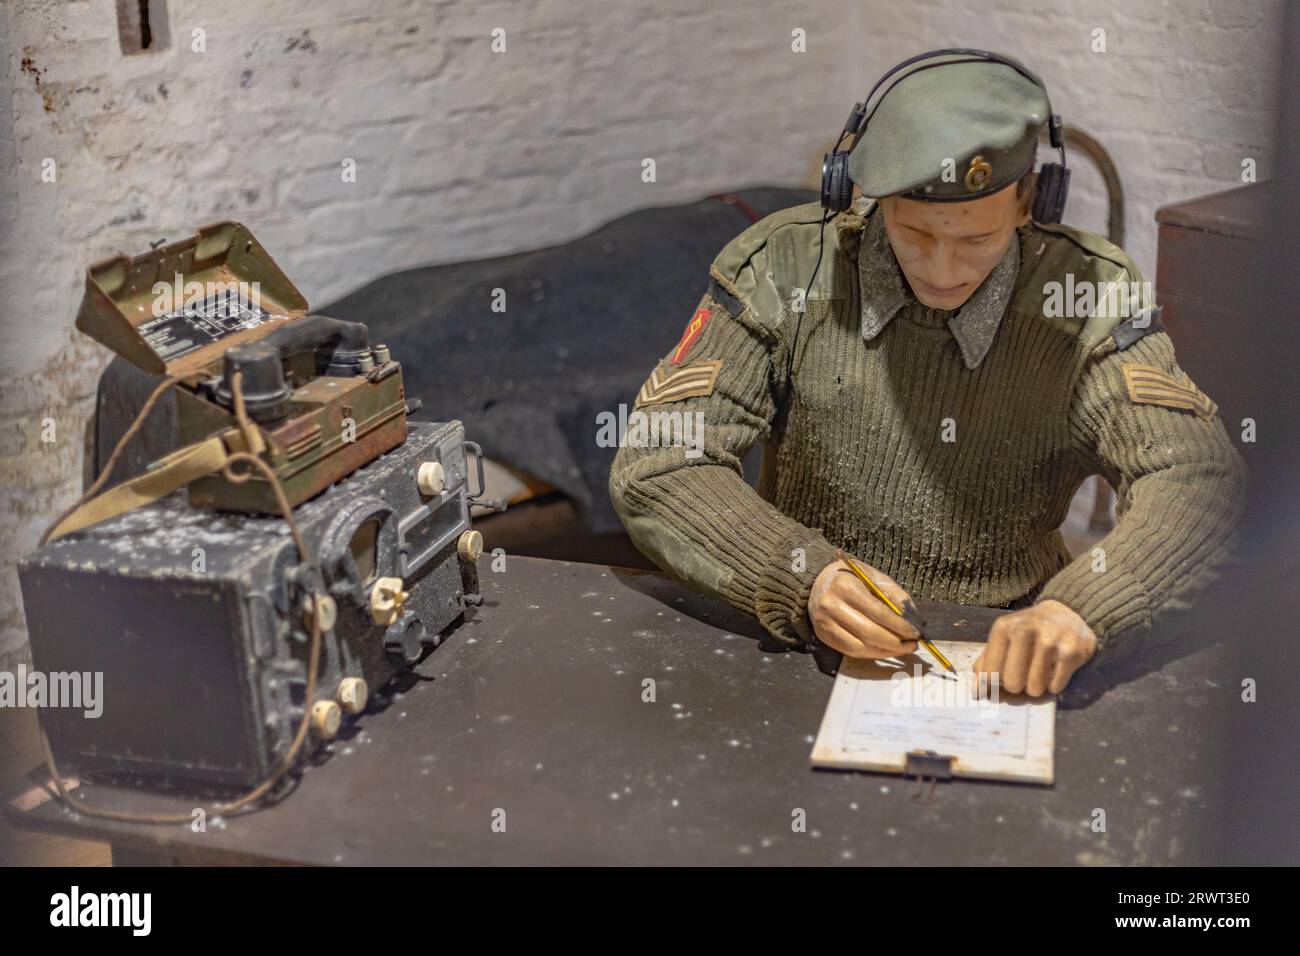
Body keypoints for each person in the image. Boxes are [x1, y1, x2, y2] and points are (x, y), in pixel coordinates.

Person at [608, 50, 1246, 696]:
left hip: (1010, 650)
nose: (943, 270)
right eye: (914, 235)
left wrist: (1085, 606)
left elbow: (1196, 476)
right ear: (865, 198)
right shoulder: (787, 268)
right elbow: (661, 457)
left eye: (977, 241)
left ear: (1031, 204)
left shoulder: (1086, 296)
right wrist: (800, 575)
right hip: (807, 643)